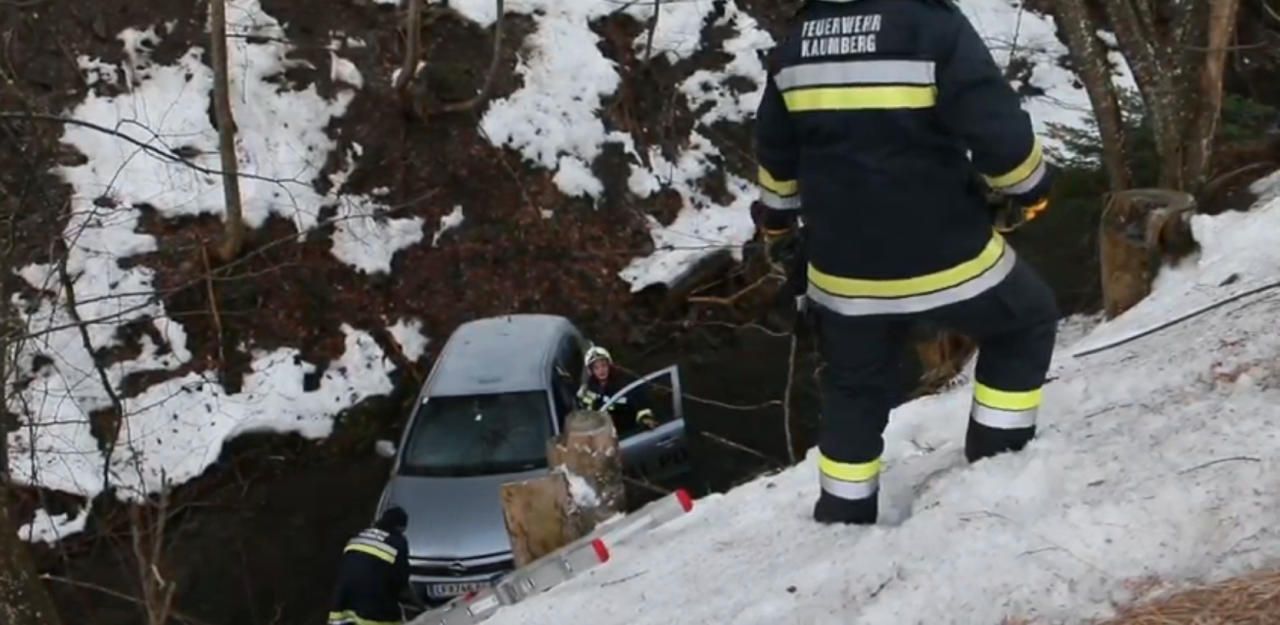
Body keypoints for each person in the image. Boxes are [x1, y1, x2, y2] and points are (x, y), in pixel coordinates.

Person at [754, 0, 1060, 525]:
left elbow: (777, 157)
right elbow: (996, 129)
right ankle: (998, 457)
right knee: (1027, 319)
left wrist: (778, 229)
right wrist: (1031, 188)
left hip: (842, 273)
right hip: (949, 258)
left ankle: (842, 516)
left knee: (854, 386)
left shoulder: (797, 42)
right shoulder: (933, 24)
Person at [329, 506, 422, 624]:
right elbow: (401, 581)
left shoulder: (361, 535)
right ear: (400, 527)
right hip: (372, 600)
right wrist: (419, 606)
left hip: (343, 596)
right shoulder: (396, 541)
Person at [576, 346, 660, 436]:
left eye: (603, 365)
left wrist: (645, 418)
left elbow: (642, 401)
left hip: (631, 431)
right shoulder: (588, 389)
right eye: (596, 368)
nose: (601, 370)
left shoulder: (624, 381)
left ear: (609, 365)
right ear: (591, 371)